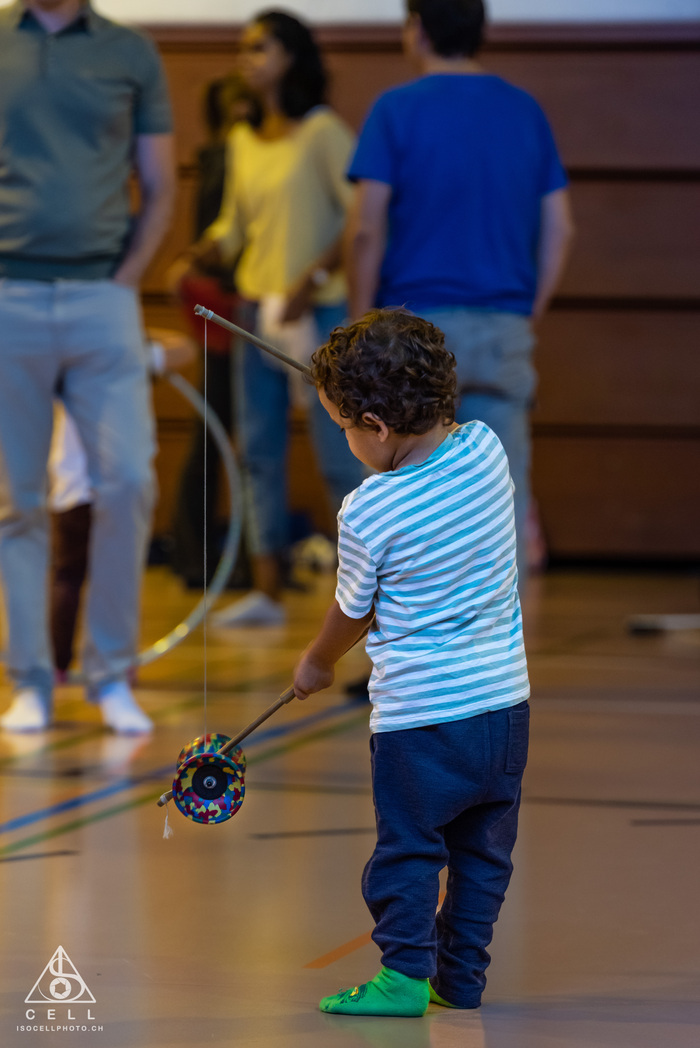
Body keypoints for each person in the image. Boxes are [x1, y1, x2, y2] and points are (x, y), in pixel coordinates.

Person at [293, 309, 530, 1017]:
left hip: (420, 723)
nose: (346, 440)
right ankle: (460, 978)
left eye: (342, 426)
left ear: (377, 426)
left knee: (407, 850)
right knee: (484, 854)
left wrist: (315, 662)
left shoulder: (369, 510)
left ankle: (401, 978)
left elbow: (354, 612)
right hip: (505, 712)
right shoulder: (487, 450)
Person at [344, 0, 574, 586]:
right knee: (502, 503)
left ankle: (399, 669)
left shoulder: (395, 109)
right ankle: (496, 668)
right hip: (503, 324)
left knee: (403, 501)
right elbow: (561, 227)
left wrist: (356, 331)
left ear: (415, 28)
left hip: (412, 332)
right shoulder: (524, 111)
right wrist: (527, 313)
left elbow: (366, 227)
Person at [0, 0, 175, 733]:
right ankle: (31, 679)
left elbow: (161, 183)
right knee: (18, 500)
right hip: (9, 292)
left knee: (130, 479)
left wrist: (128, 277)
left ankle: (110, 673)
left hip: (104, 295)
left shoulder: (131, 53)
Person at [173, 9, 364, 627]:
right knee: (257, 450)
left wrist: (312, 278)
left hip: (319, 311)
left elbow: (360, 213)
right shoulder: (241, 139)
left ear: (290, 56)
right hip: (255, 309)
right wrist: (201, 253)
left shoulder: (323, 133)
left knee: (340, 453)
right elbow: (234, 227)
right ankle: (267, 591)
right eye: (243, 48)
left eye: (258, 47)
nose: (245, 59)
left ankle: (359, 595)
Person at [48, 331, 196, 682]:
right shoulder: (129, 354)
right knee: (113, 580)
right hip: (114, 489)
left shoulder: (64, 356)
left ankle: (57, 665)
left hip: (73, 487)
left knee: (68, 576)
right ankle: (114, 663)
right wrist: (133, 330)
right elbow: (185, 348)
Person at [170, 77, 254, 589]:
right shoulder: (231, 158)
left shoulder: (213, 158)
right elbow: (224, 243)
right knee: (221, 435)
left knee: (215, 431)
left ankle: (201, 555)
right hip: (230, 308)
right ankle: (210, 557)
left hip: (220, 308)